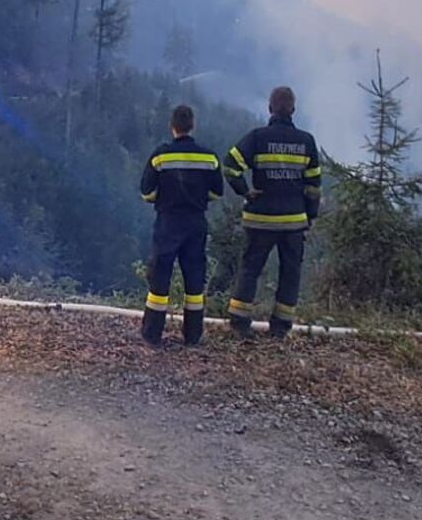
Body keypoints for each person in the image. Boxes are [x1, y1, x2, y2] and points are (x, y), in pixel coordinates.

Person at [223, 85, 323, 337]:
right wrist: (310, 216)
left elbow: (230, 166)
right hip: (293, 222)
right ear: (293, 110)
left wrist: (245, 191)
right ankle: (280, 328)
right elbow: (313, 186)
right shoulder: (306, 141)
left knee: (250, 269)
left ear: (270, 109)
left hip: (260, 220)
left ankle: (239, 324)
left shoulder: (257, 138)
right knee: (290, 274)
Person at [138, 103, 225, 347]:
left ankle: (152, 334)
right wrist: (198, 199)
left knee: (160, 277)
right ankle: (193, 335)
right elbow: (217, 193)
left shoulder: (160, 156)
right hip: (196, 222)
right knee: (195, 278)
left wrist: (164, 199)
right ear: (192, 125)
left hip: (168, 222)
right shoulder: (209, 157)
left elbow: (146, 192)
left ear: (172, 126)